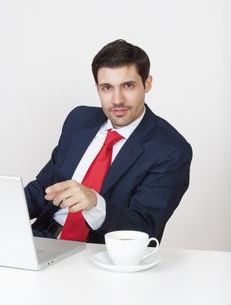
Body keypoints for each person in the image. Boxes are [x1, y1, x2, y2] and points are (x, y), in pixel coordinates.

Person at [25, 39, 192, 244]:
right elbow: (43, 188)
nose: (117, 100)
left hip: (104, 254)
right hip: (44, 238)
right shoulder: (79, 120)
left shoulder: (170, 149)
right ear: (97, 88)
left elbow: (145, 227)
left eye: (128, 86)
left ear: (147, 84)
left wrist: (95, 204)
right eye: (107, 87)